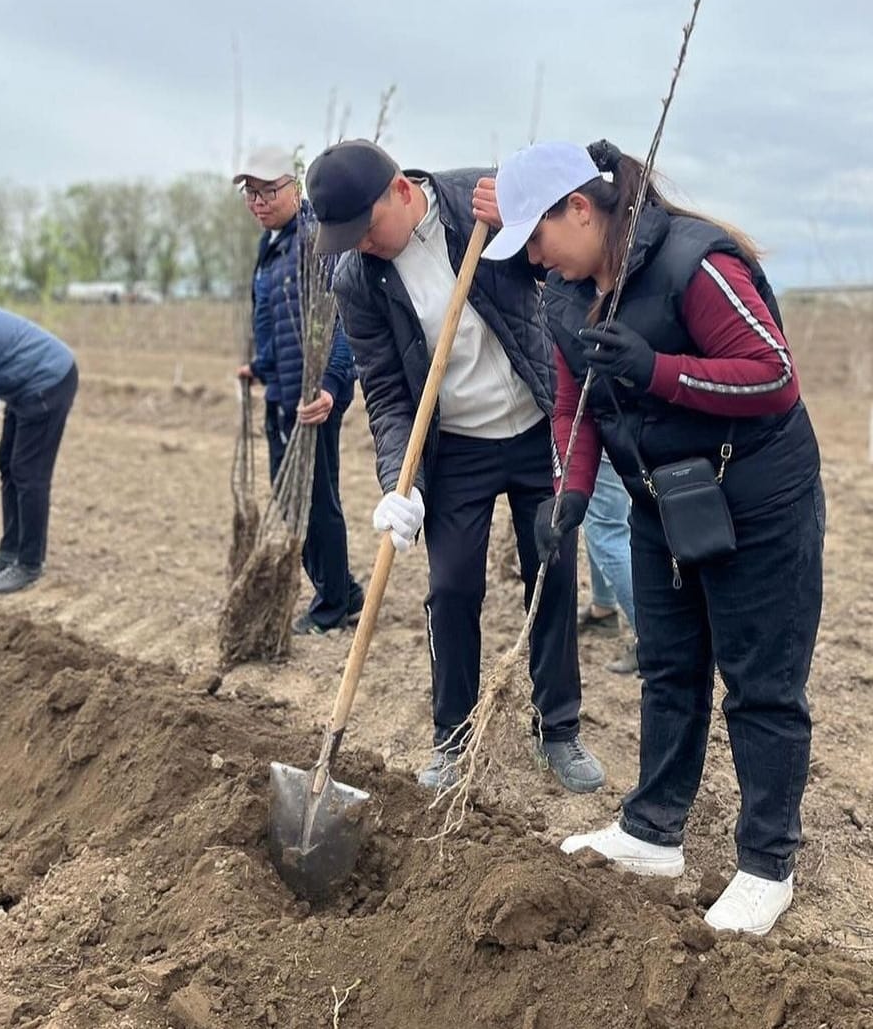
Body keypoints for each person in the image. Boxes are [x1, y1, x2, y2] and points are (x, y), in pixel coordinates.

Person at [480, 140, 824, 937]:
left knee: (761, 684)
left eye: (537, 235)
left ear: (580, 207)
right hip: (659, 502)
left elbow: (773, 377)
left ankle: (767, 863)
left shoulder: (692, 265)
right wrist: (567, 490)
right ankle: (652, 830)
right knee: (668, 668)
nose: (534, 256)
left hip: (756, 500)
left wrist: (658, 368)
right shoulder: (566, 294)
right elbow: (573, 402)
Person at [305, 138, 603, 795]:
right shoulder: (358, 279)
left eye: (366, 227)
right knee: (451, 590)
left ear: (401, 192)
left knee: (551, 576)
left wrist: (520, 213)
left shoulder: (481, 202)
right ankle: (453, 739)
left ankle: (559, 729)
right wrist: (395, 484)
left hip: (535, 424)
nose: (361, 244)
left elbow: (570, 259)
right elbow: (384, 391)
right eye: (346, 236)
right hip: (457, 448)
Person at [232, 146, 365, 635]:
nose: (259, 201)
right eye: (252, 193)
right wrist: (261, 366)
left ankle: (332, 606)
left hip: (313, 399)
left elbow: (346, 320)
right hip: (283, 391)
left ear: (296, 188)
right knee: (291, 499)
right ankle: (343, 589)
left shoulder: (317, 242)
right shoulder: (272, 246)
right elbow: (274, 322)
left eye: (269, 191)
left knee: (314, 501)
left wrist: (332, 385)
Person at [0, 307, 79, 594]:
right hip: (22, 386)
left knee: (29, 473)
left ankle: (29, 563)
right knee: (7, 461)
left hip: (47, 381)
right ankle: (9, 551)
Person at [580, 452, 639, 674]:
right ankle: (603, 607)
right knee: (601, 515)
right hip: (615, 423)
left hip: (594, 421)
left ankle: (650, 639)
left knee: (607, 527)